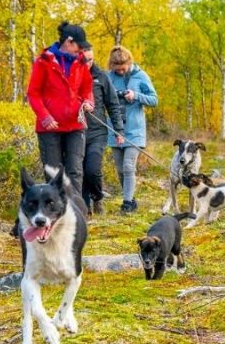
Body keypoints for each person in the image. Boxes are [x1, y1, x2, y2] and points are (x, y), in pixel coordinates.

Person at [26, 21, 94, 193]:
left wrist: (88, 102)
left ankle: (77, 211)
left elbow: (87, 88)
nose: (81, 50)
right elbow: (33, 93)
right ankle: (56, 212)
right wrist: (45, 116)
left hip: (75, 125)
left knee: (75, 170)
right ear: (68, 42)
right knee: (53, 173)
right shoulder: (43, 62)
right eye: (79, 46)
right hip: (49, 127)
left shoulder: (81, 62)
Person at [107, 46, 158, 213]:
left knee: (129, 166)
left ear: (129, 62)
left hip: (135, 131)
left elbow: (154, 100)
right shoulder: (108, 78)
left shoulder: (141, 76)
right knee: (121, 170)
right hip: (114, 130)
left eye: (124, 68)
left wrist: (135, 96)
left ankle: (127, 203)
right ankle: (131, 198)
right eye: (117, 69)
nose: (121, 72)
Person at [82, 48, 124, 215]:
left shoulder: (101, 77)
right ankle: (85, 208)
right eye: (84, 60)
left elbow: (113, 105)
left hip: (97, 132)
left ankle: (97, 196)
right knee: (79, 172)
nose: (88, 63)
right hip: (75, 133)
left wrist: (118, 130)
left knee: (92, 169)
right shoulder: (71, 76)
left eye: (90, 59)